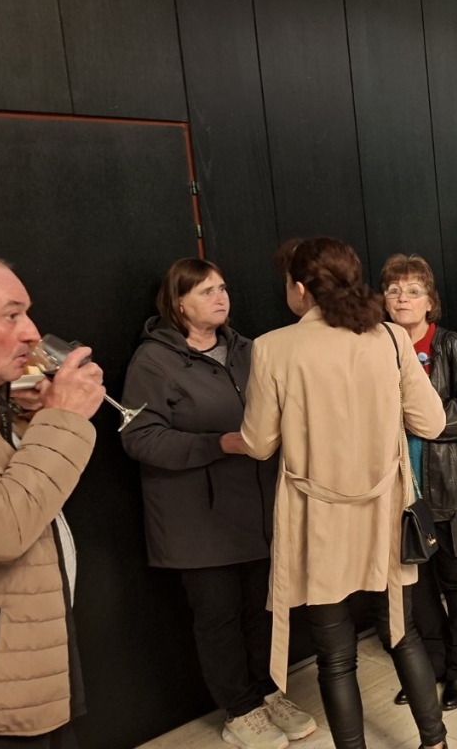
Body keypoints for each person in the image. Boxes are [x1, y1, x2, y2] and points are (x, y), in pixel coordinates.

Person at [240, 238, 448, 749]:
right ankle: (436, 742)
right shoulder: (391, 338)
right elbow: (432, 423)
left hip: (317, 520)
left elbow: (259, 444)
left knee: (335, 658)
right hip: (384, 513)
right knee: (402, 633)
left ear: (300, 288)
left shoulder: (272, 348)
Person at [121, 259, 312, 749]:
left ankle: (267, 692)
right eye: (206, 291)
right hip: (197, 519)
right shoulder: (153, 361)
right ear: (178, 303)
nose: (220, 297)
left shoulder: (249, 349)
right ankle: (240, 709)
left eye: (223, 288)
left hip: (259, 508)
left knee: (262, 609)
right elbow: (139, 438)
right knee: (219, 617)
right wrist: (219, 444)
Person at [0, 251, 104, 748]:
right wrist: (65, 420)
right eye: (11, 315)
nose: (33, 333)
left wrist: (25, 419)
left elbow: (9, 484)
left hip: (19, 664)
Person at [382, 255, 457, 713]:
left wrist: (425, 420)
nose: (402, 298)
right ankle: (430, 664)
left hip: (450, 490)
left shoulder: (450, 346)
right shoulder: (375, 347)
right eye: (393, 290)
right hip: (396, 492)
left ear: (430, 302)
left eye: (413, 291)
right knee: (418, 588)